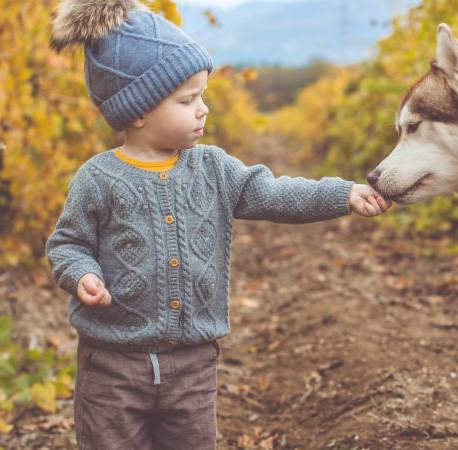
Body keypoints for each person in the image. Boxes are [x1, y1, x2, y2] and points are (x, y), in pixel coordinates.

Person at [45, 1, 391, 448]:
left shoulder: (213, 169)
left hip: (192, 366)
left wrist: (340, 194)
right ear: (137, 111)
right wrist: (82, 274)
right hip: (111, 365)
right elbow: (67, 243)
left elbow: (274, 193)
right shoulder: (97, 178)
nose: (203, 109)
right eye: (188, 100)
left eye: (202, 96)